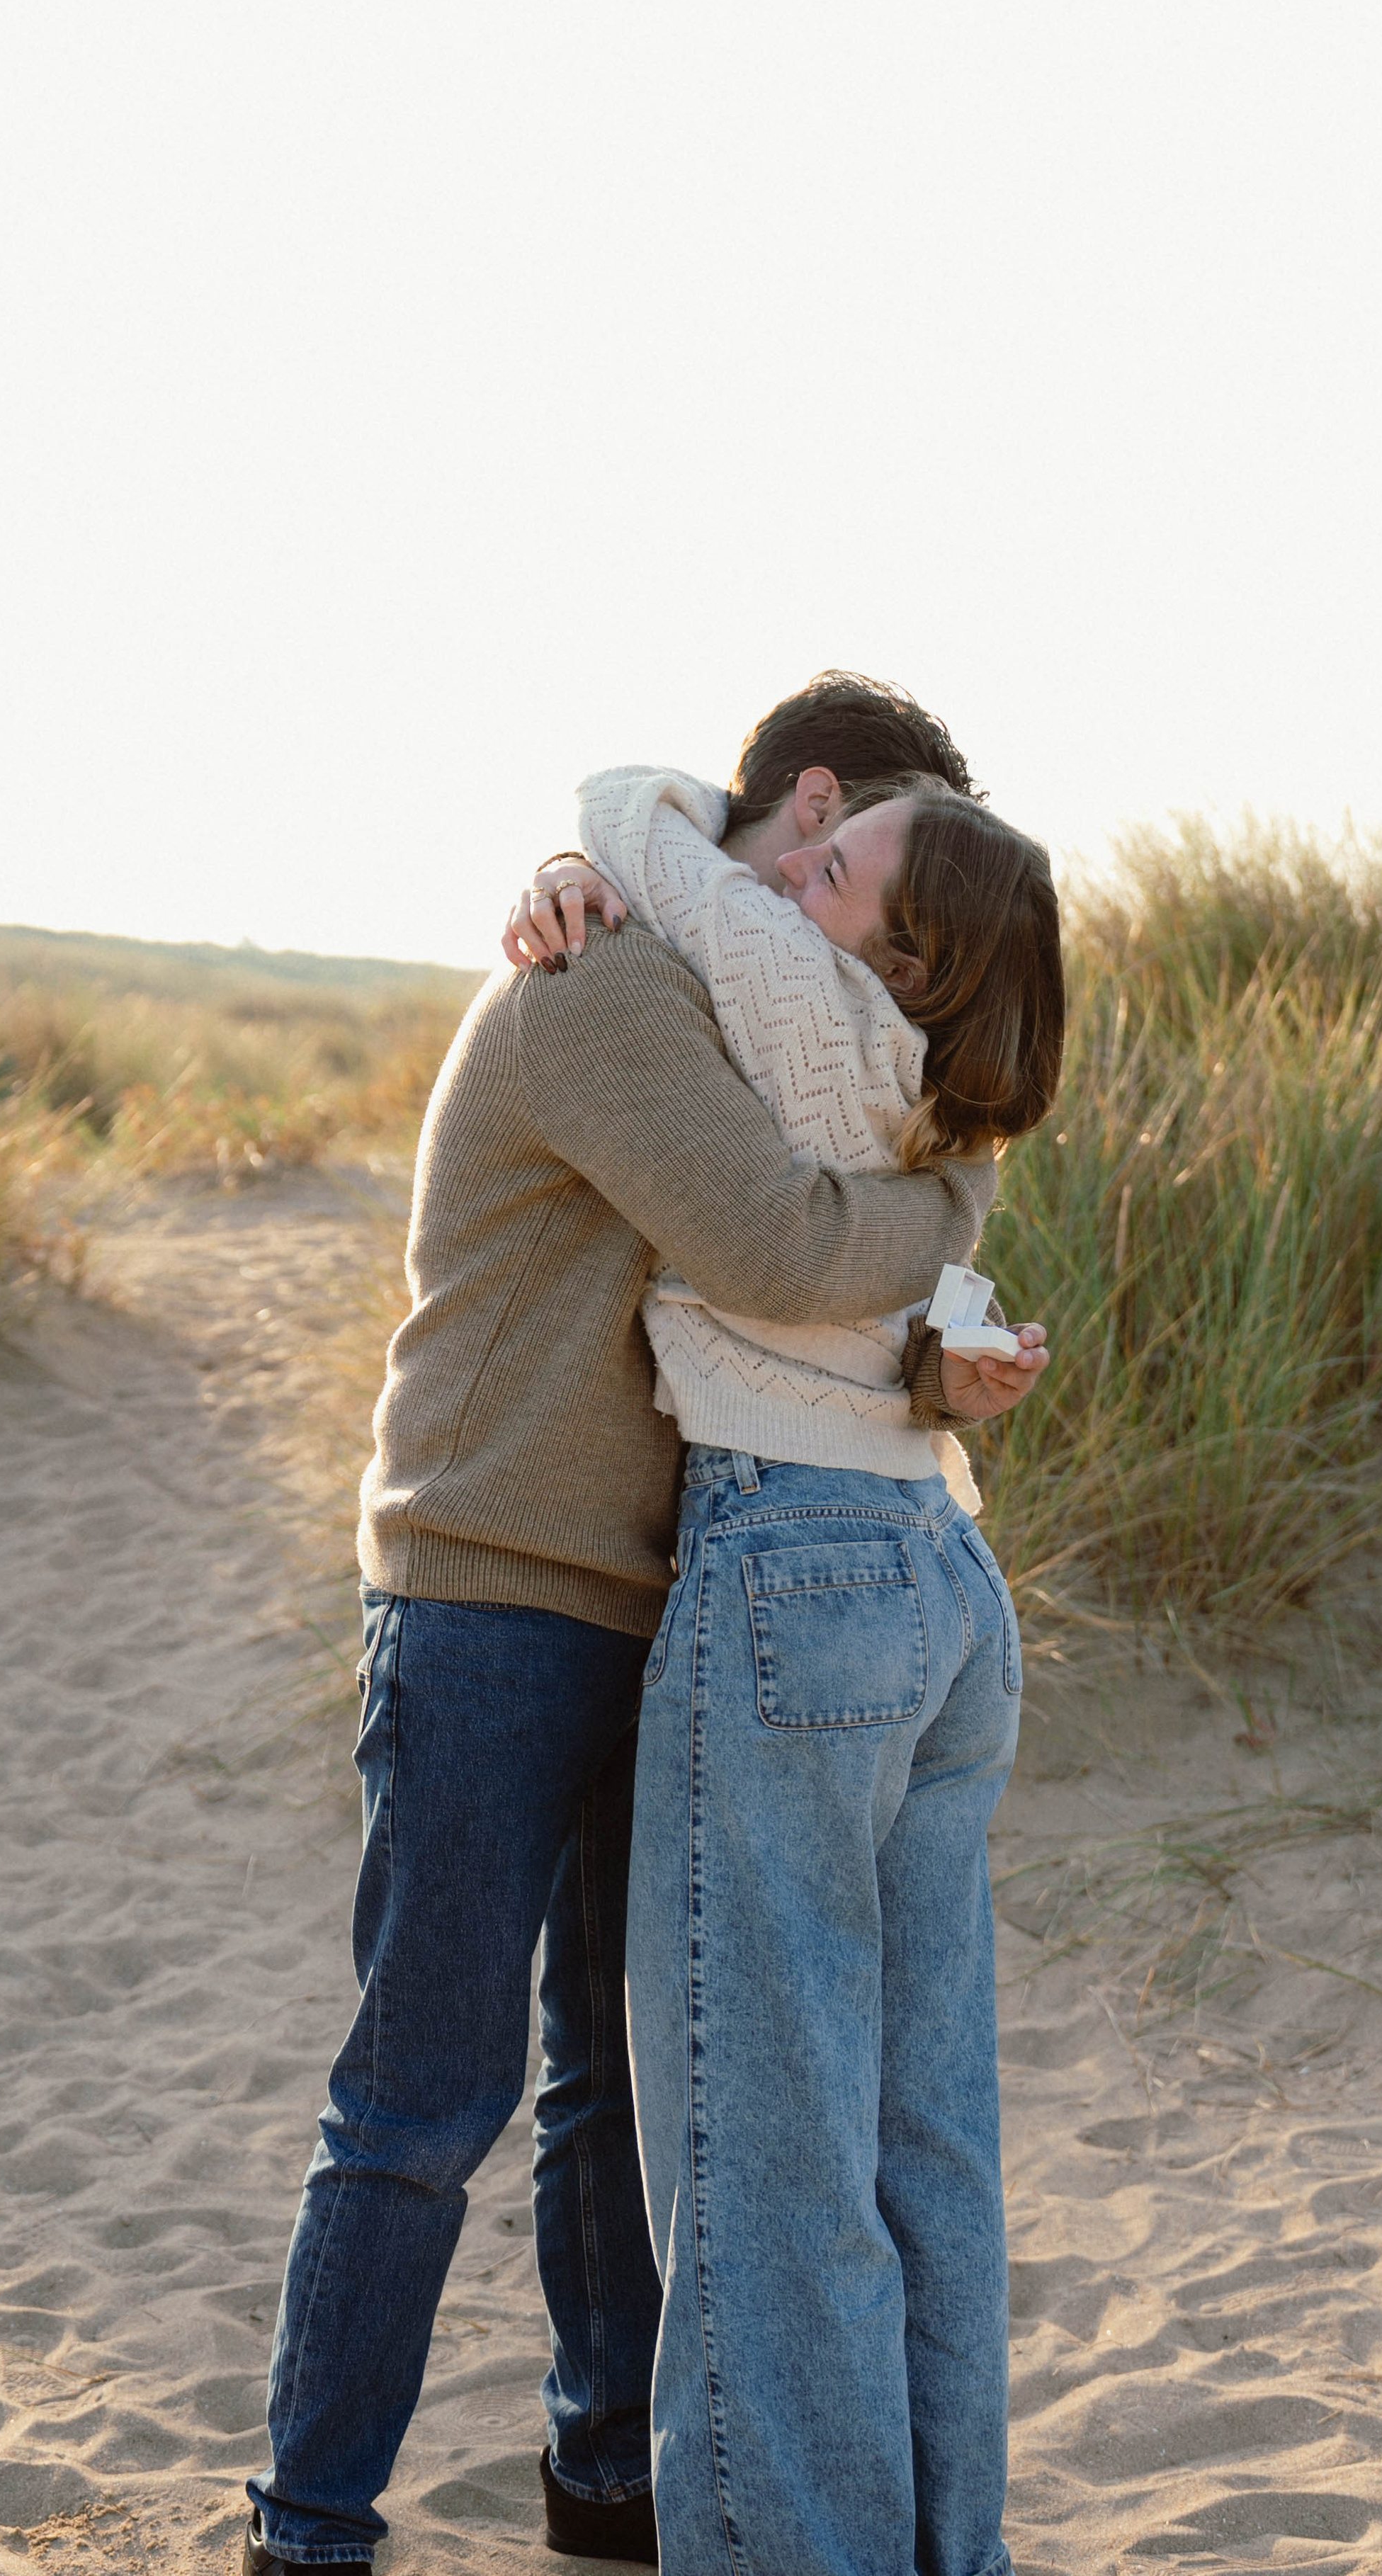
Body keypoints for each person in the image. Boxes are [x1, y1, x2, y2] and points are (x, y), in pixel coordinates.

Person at [242, 677, 1014, 2576]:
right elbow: (777, 1243)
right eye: (851, 874)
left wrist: (938, 1366)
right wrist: (965, 1198)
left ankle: (607, 2485)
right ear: (811, 800)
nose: (868, 942)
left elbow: (790, 1315)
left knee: (612, 2083)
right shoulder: (609, 983)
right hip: (492, 1585)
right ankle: (310, 2527)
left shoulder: (730, 996)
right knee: (428, 2095)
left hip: (671, 1596)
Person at [523, 755, 1065, 2576]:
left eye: (828, 869)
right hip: (935, 1567)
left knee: (761, 2155)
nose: (789, 874)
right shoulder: (926, 1086)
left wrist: (605, 831)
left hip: (794, 1572)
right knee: (922, 2138)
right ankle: (947, 2549)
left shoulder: (780, 984)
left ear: (892, 962)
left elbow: (624, 817)